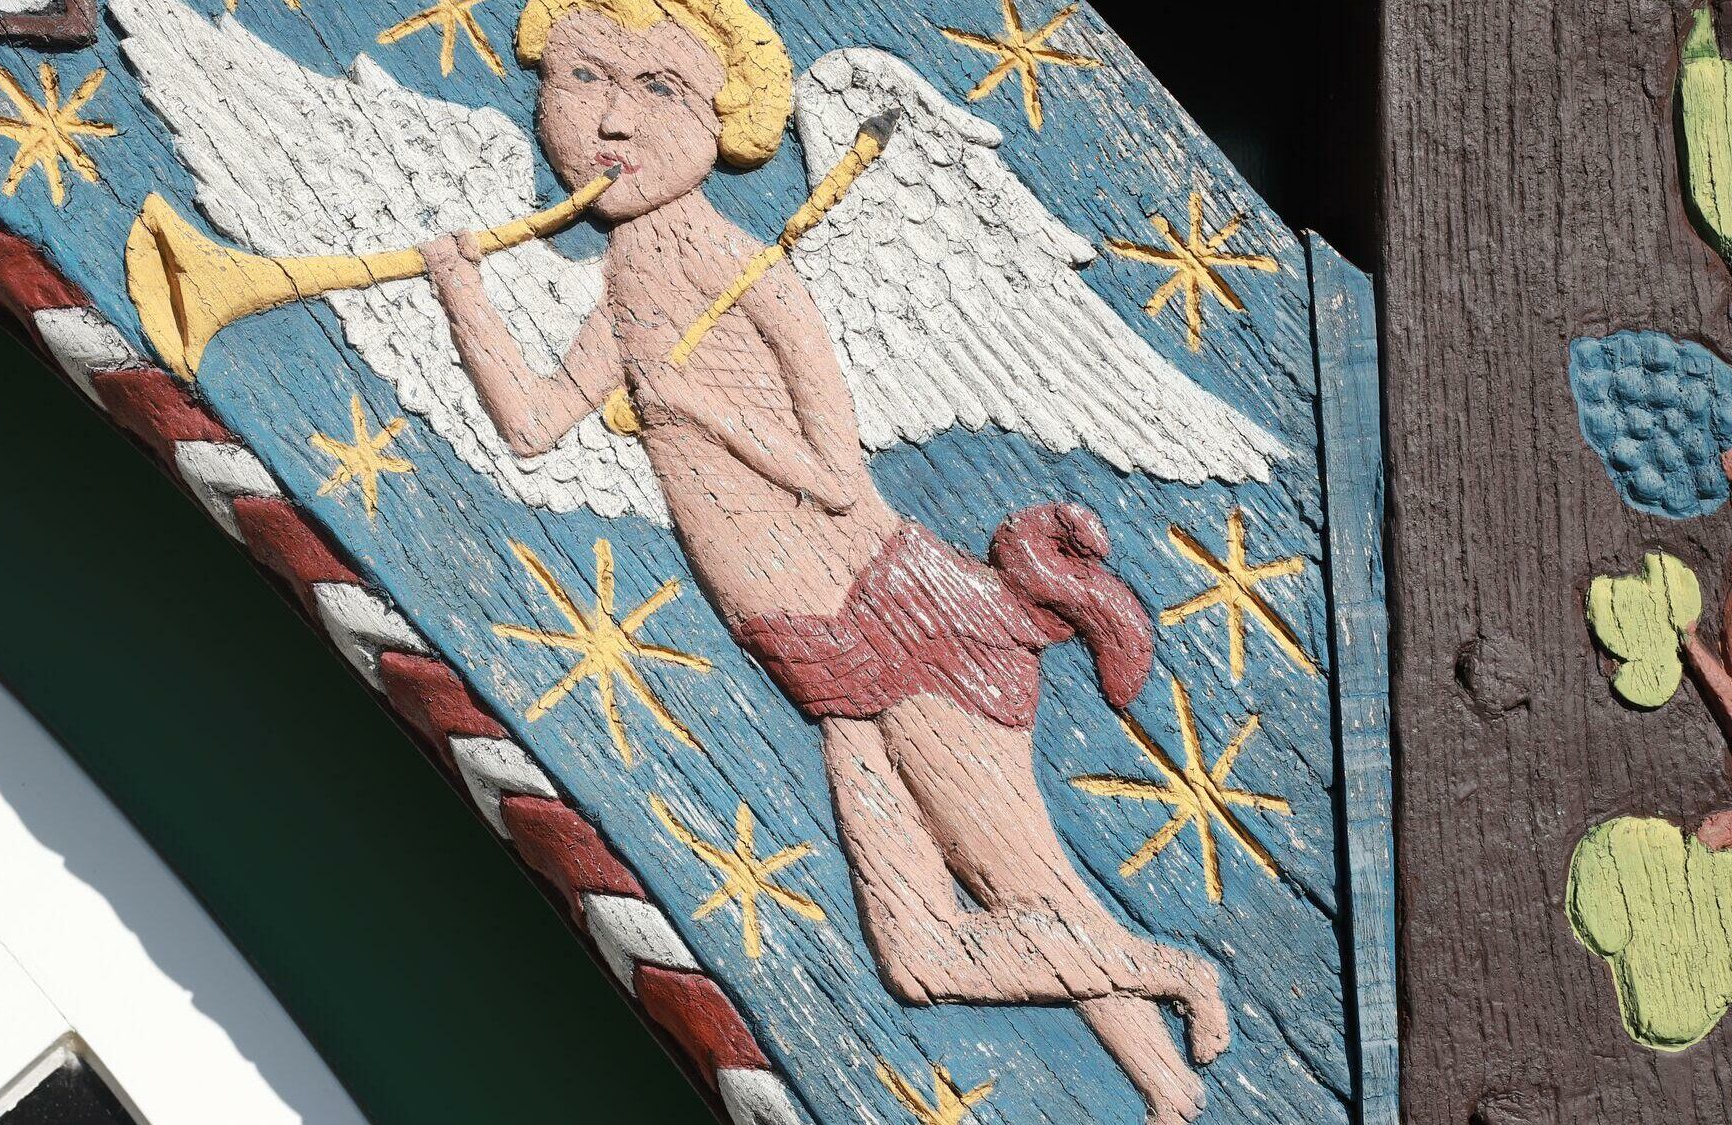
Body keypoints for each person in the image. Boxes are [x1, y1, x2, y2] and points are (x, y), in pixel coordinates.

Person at [417, 0, 1228, 1119]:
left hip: (894, 613)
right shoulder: (625, 289)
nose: (611, 122)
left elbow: (837, 476)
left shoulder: (748, 272)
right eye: (582, 81)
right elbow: (531, 422)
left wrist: (698, 404)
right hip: (814, 653)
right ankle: (1167, 1030)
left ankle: (1173, 1034)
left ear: (723, 123)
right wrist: (462, 291)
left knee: (1023, 878)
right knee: (919, 957)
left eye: (657, 90)